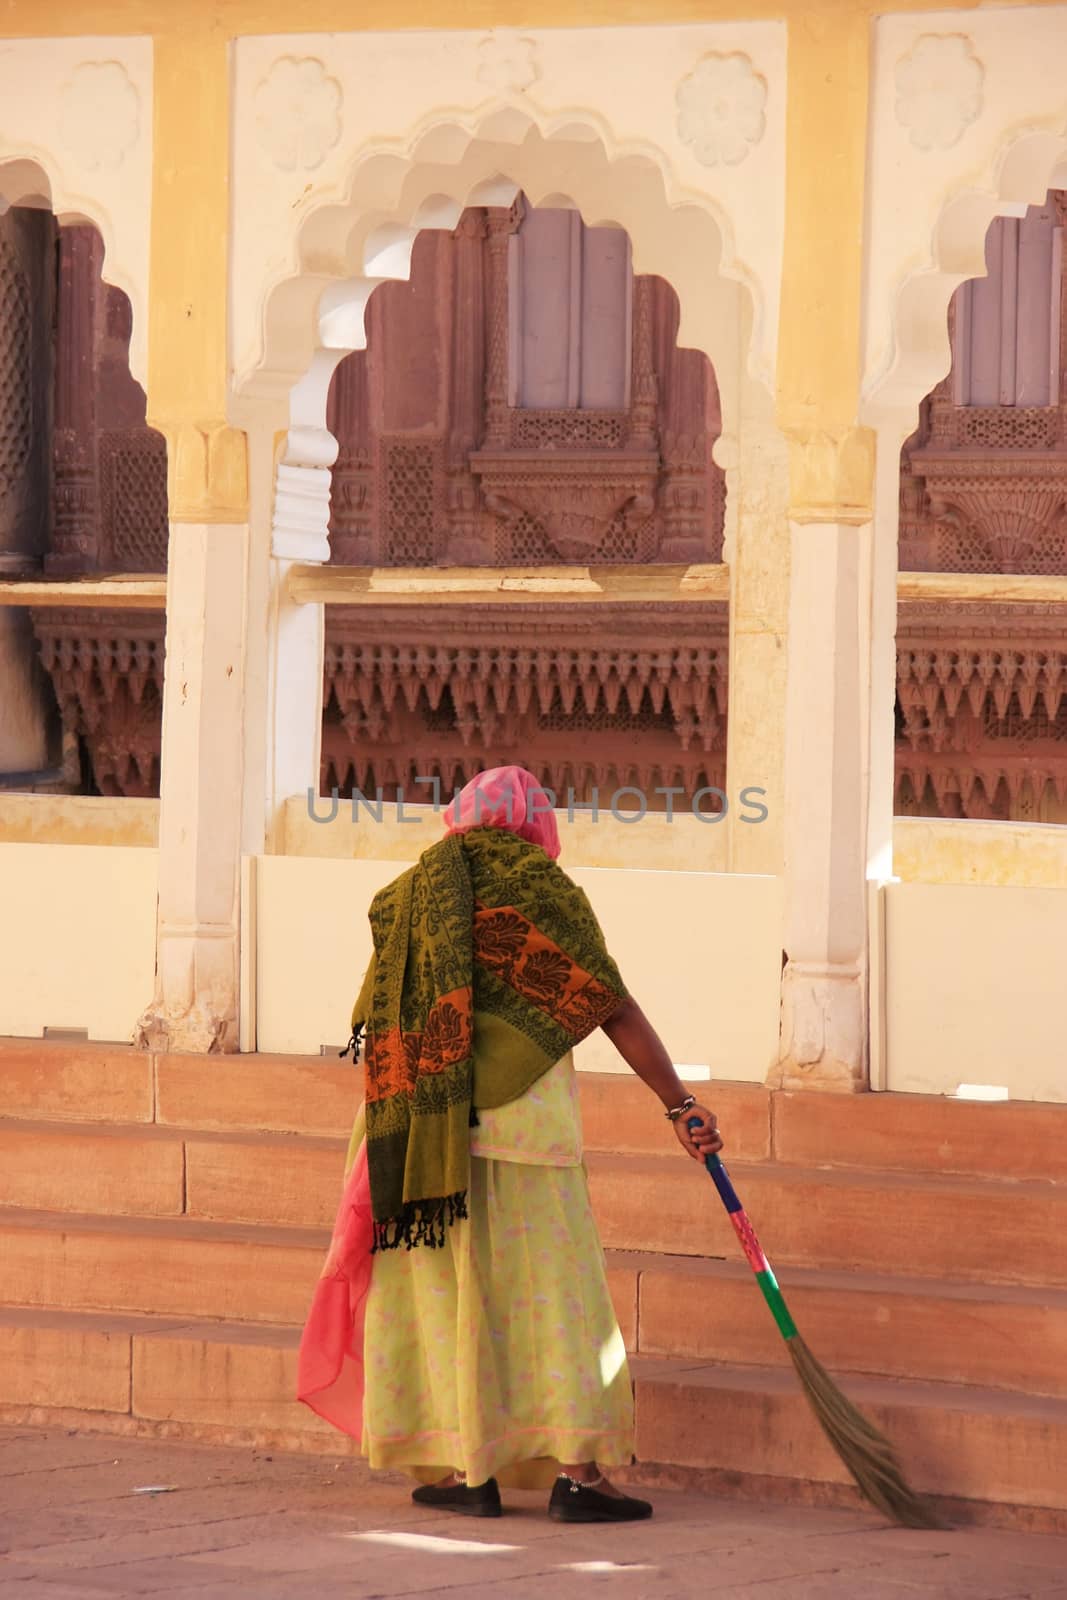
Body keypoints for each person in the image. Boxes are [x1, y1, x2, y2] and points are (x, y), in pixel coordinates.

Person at [297, 765, 722, 1523]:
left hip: (420, 1132)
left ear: (458, 818)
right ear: (535, 825)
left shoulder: (407, 896)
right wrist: (678, 1105)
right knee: (553, 1301)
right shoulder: (541, 892)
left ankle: (472, 1472)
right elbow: (609, 1006)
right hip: (526, 1130)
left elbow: (375, 1009)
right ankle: (578, 1477)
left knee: (449, 1301)